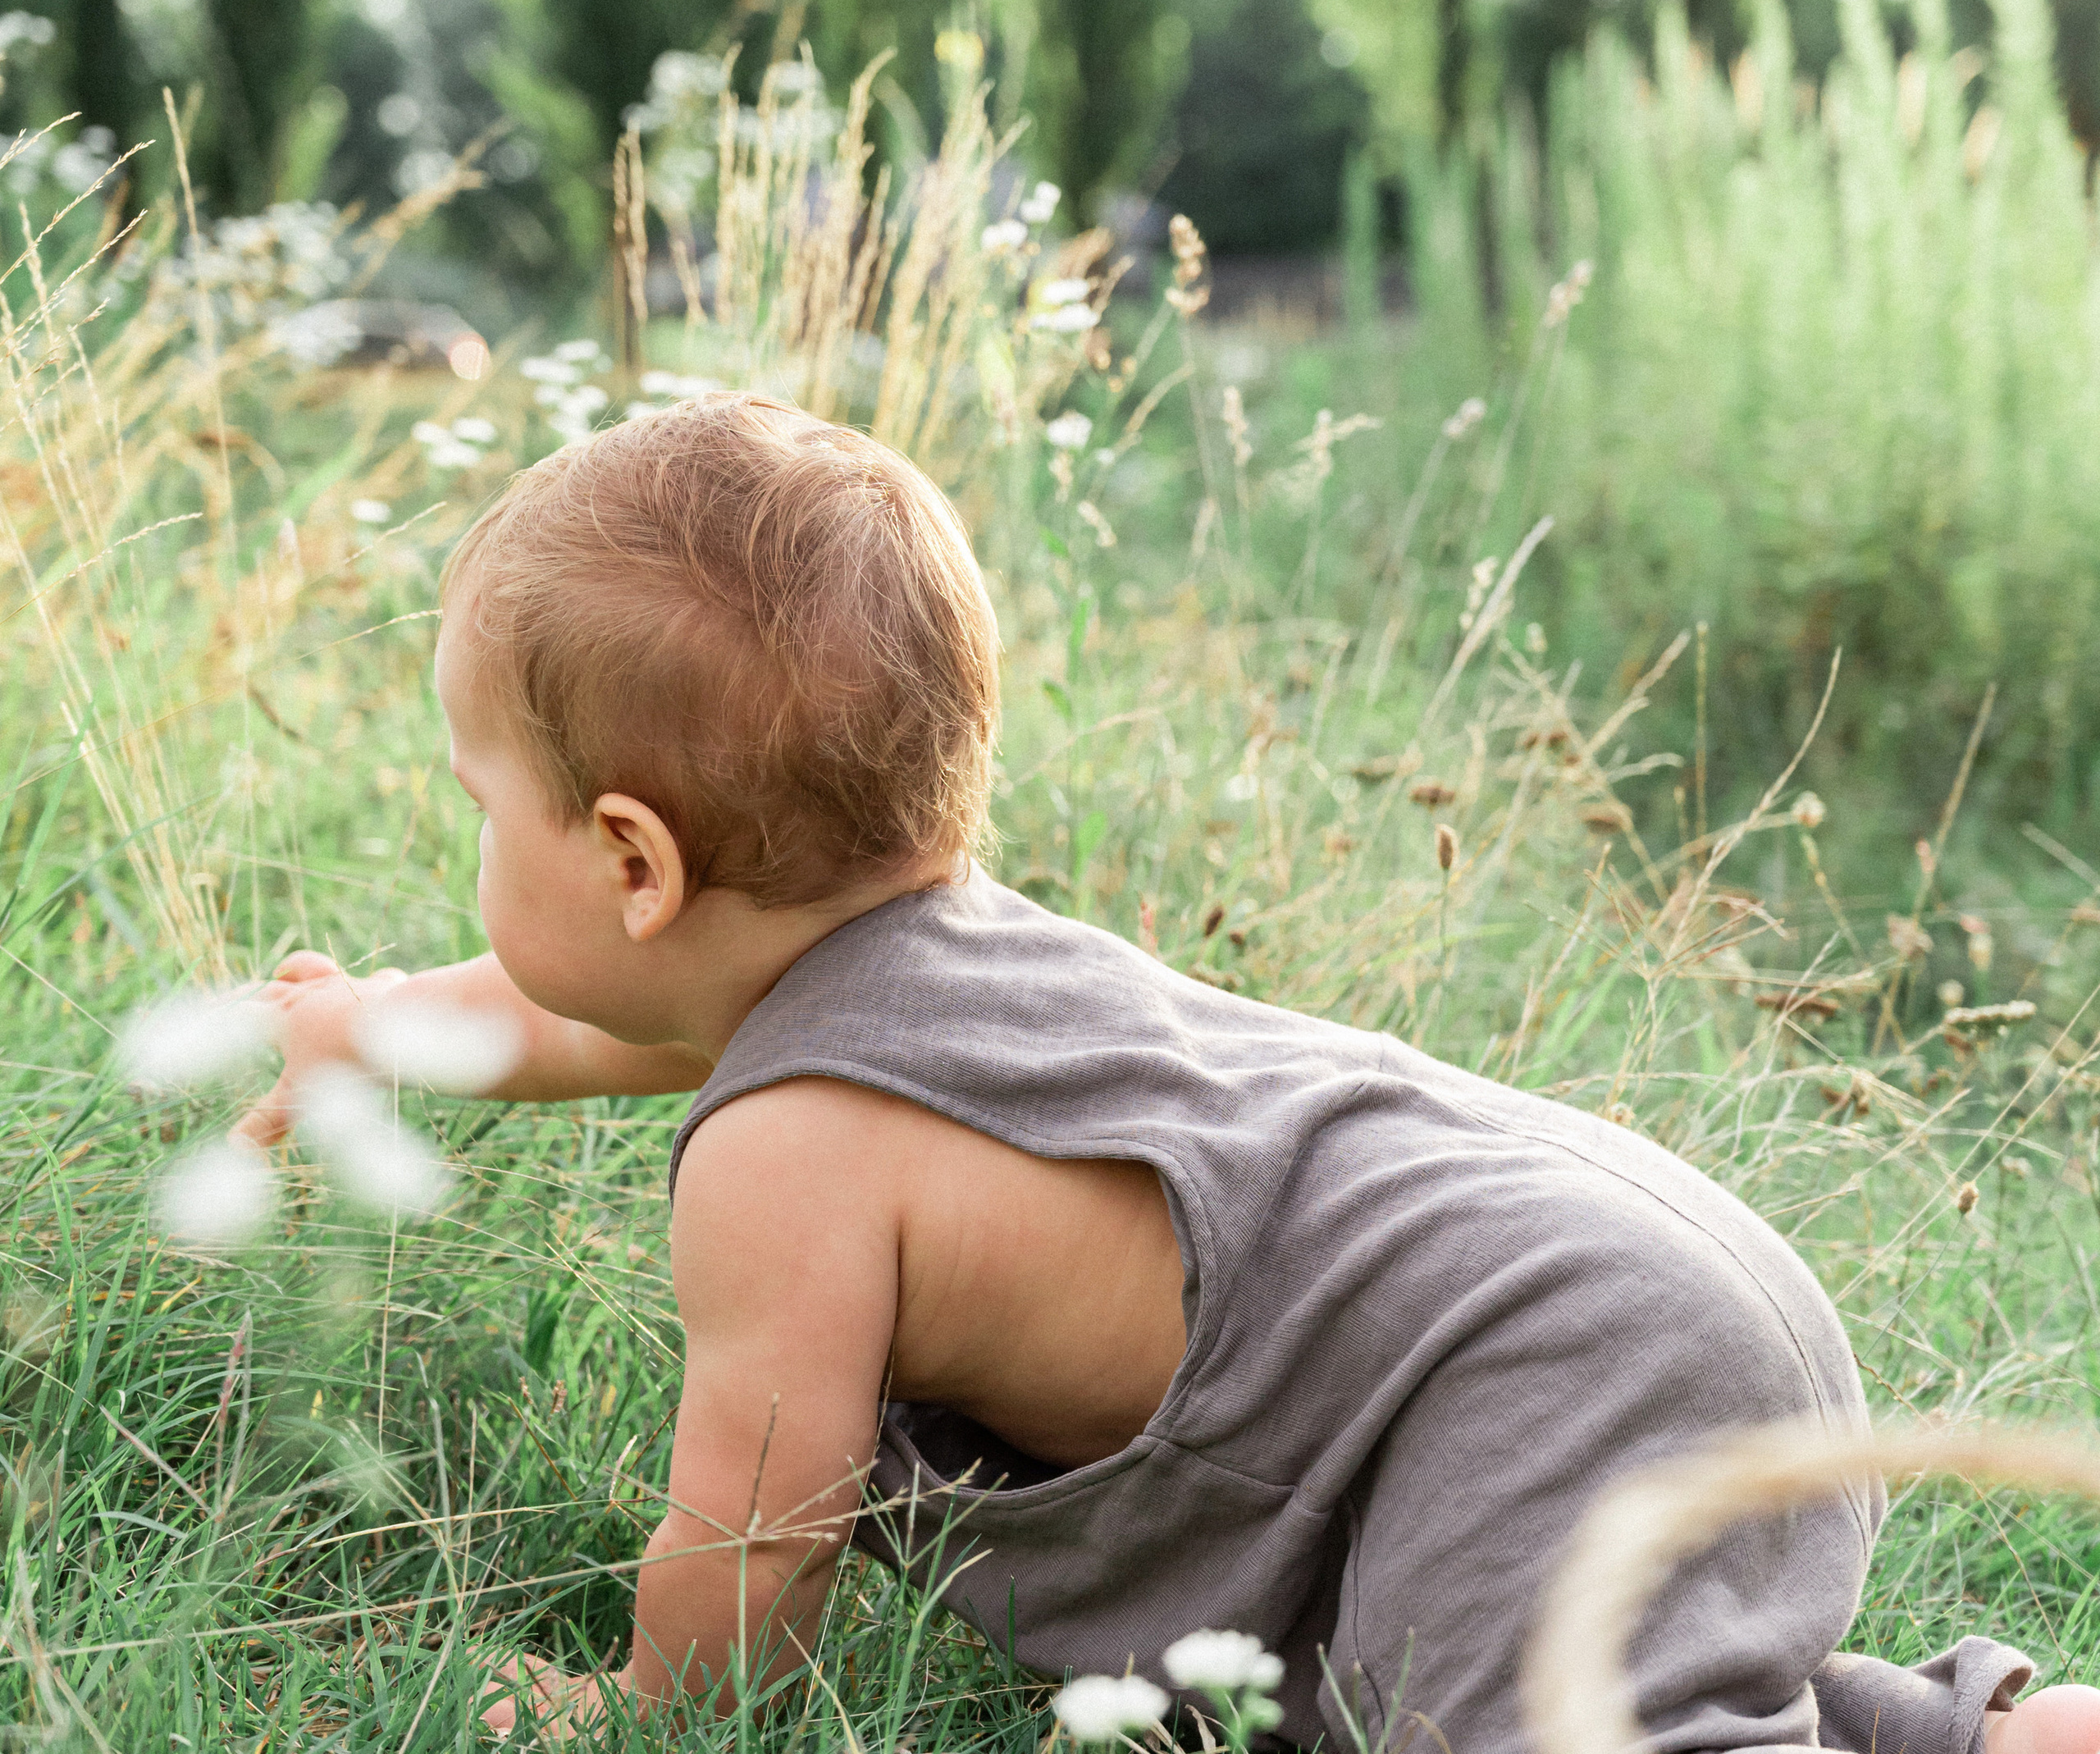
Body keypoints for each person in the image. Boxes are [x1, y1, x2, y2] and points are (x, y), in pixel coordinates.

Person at [236, 394, 2100, 1754]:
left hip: (1539, 1357)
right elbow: (601, 1012)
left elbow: (757, 1535)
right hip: (1639, 1274)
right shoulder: (916, 968)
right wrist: (372, 1022)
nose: (472, 845)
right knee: (1539, 1674)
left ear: (633, 859)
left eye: (480, 803)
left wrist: (645, 1706)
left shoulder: (784, 1157)